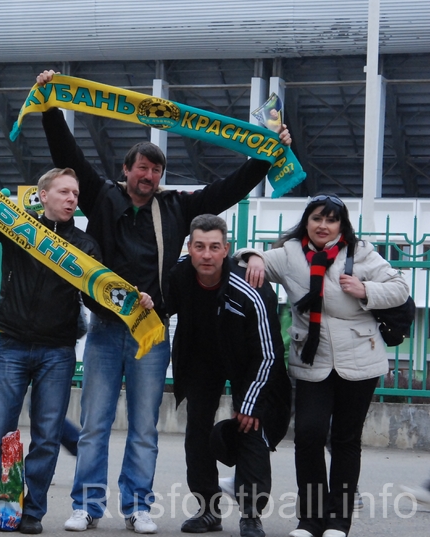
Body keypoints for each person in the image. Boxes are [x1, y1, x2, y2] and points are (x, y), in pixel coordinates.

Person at [35, 69, 292, 533]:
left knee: (144, 428)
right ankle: (87, 506)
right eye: (142, 168)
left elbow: (227, 190)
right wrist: (50, 105)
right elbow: (67, 155)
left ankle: (137, 506)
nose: (149, 176)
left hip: (150, 334)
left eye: (156, 170)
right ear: (126, 171)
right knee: (94, 425)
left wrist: (266, 154)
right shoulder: (102, 198)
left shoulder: (176, 207)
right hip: (105, 331)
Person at [240, 194, 410, 537]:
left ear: (341, 225)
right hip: (312, 358)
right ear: (307, 221)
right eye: (317, 218)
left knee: (346, 440)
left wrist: (365, 289)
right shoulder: (291, 253)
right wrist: (254, 256)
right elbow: (247, 259)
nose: (323, 226)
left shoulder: (360, 252)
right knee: (308, 435)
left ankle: (338, 522)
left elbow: (401, 287)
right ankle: (310, 520)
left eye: (331, 220)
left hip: (360, 358)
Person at [0, 167, 105, 535]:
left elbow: (101, 297)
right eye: (64, 192)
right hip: (12, 345)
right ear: (43, 195)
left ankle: (32, 513)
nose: (72, 199)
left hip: (57, 352)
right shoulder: (20, 227)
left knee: (46, 437)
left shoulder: (84, 246)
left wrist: (134, 303)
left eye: (75, 194)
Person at [166, 215, 291, 537]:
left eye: (214, 247)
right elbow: (158, 304)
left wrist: (249, 403)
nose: (206, 255)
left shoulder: (250, 290)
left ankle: (251, 515)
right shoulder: (178, 274)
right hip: (201, 359)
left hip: (249, 362)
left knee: (250, 426)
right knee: (197, 430)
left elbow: (268, 354)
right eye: (199, 247)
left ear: (226, 249)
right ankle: (208, 511)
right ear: (189, 248)